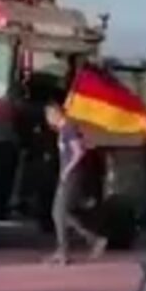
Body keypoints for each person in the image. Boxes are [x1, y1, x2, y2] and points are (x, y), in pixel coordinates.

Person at [44, 101, 107, 265]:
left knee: (59, 212)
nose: (48, 121)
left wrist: (67, 170)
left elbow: (78, 152)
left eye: (48, 117)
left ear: (55, 114)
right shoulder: (64, 130)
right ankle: (65, 249)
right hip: (67, 175)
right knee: (60, 213)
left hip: (72, 176)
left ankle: (88, 242)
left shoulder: (68, 129)